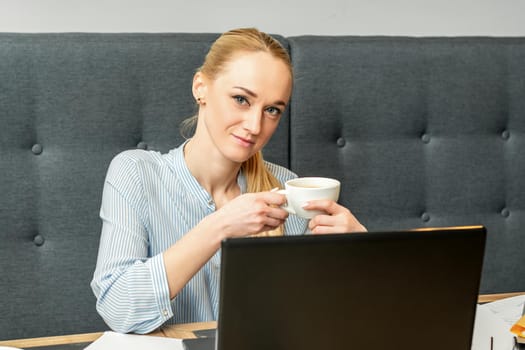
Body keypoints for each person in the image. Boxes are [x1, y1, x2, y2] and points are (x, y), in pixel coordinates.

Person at [91, 27, 366, 334]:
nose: (254, 125)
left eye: (272, 110)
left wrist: (362, 253)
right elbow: (117, 307)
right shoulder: (136, 173)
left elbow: (324, 321)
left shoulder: (288, 189)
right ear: (201, 88)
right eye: (241, 99)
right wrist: (220, 226)